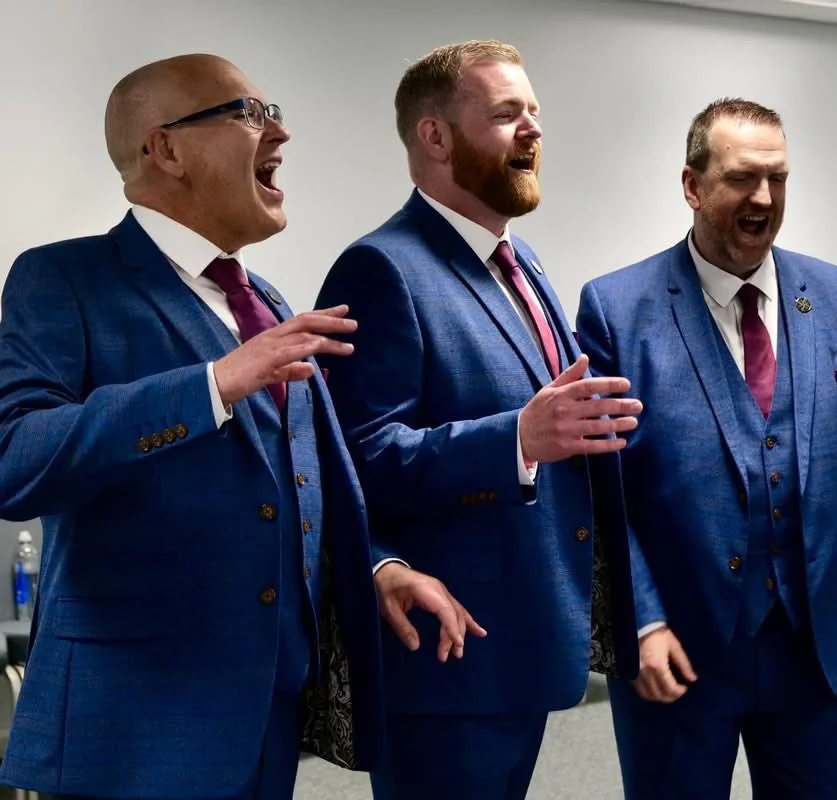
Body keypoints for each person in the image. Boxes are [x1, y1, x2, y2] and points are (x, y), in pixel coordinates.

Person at [0, 53, 479, 800]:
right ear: (166, 148)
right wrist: (212, 385)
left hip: (267, 718)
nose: (280, 132)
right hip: (130, 731)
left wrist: (379, 568)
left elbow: (299, 488)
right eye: (249, 114)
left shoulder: (270, 303)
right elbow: (17, 460)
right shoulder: (62, 278)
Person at [313, 39, 641, 799]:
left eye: (534, 112)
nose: (533, 129)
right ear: (435, 136)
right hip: (447, 653)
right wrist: (516, 439)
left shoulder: (522, 262)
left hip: (524, 634)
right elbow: (358, 459)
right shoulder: (381, 268)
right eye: (505, 114)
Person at [574, 97, 837, 799]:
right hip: (678, 644)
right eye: (741, 178)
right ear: (692, 185)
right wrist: (640, 619)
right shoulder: (617, 310)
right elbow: (599, 495)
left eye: (778, 178)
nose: (763, 197)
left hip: (817, 643)